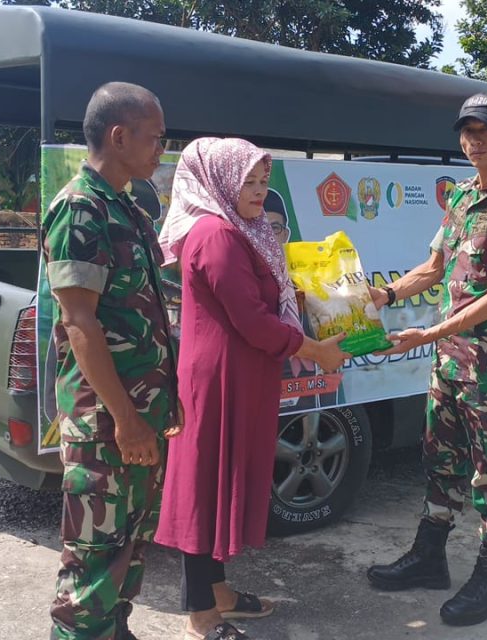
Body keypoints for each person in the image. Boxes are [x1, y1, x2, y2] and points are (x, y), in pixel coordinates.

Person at [364, 93, 487, 627]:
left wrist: (431, 332)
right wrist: (386, 295)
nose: (473, 140)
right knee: (439, 461)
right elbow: (433, 266)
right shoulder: (463, 197)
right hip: (449, 363)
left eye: (485, 130)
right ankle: (428, 558)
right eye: (466, 131)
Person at [154, 137, 349, 640]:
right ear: (220, 180)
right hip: (219, 378)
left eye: (264, 181)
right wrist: (317, 350)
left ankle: (217, 591)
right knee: (204, 485)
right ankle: (202, 613)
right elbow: (255, 323)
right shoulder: (216, 235)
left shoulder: (240, 230)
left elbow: (263, 299)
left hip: (239, 374)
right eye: (249, 181)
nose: (259, 191)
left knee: (221, 481)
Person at [42, 82, 178, 640]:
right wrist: (125, 420)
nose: (160, 150)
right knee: (92, 573)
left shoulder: (127, 207)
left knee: (128, 555)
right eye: (155, 138)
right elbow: (80, 324)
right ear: (119, 136)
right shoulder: (80, 208)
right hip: (107, 424)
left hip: (139, 416)